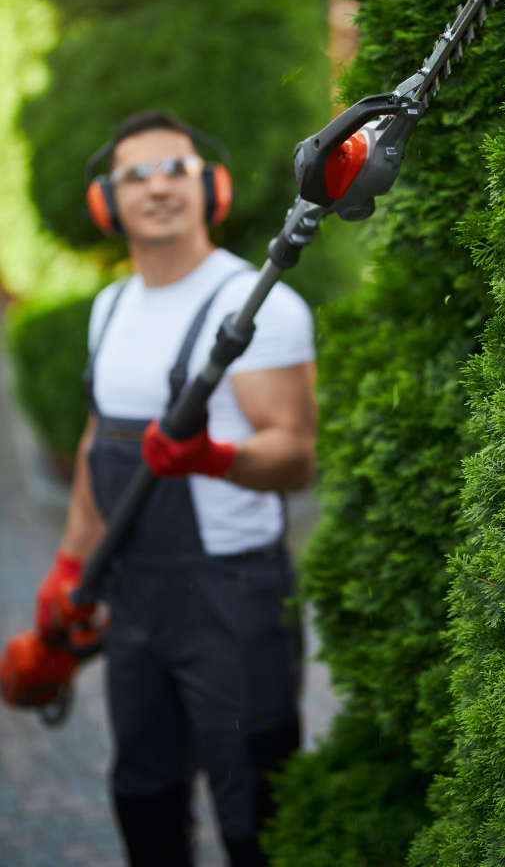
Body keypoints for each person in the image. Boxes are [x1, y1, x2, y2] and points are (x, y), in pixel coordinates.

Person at [34, 110, 317, 867]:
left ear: (210, 188)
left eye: (177, 170)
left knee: (256, 808)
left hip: (232, 600)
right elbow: (103, 443)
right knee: (144, 796)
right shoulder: (110, 308)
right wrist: (69, 568)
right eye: (137, 175)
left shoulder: (260, 307)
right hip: (135, 603)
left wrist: (211, 457)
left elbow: (295, 455)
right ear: (107, 203)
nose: (159, 186)